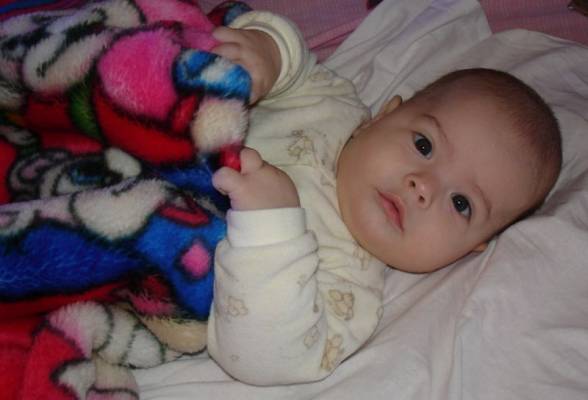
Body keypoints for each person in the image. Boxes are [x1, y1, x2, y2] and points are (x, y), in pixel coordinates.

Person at [206, 10, 562, 385]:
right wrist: (266, 52)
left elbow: (268, 357)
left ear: (469, 248)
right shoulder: (330, 103)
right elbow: (292, 62)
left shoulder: (349, 289)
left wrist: (270, 229)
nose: (423, 187)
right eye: (424, 145)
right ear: (384, 116)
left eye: (461, 204)